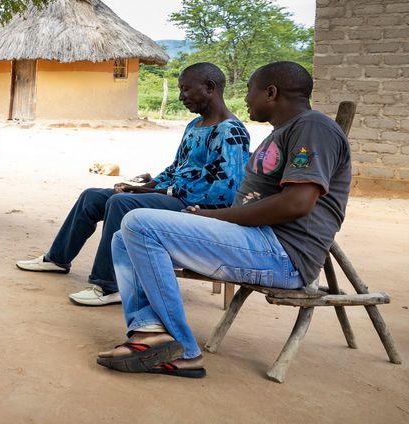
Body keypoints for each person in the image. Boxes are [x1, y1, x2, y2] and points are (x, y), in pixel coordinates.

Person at [96, 61, 350, 378]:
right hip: (256, 240)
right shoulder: (286, 131)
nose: (245, 99)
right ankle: (149, 332)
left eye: (249, 91)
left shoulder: (313, 127)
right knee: (124, 236)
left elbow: (297, 203)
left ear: (271, 93)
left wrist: (216, 216)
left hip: (281, 252)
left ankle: (183, 350)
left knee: (138, 222)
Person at [16, 63, 250, 306]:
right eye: (180, 90)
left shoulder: (231, 132)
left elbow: (221, 192)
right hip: (172, 196)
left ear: (210, 87)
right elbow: (175, 169)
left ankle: (109, 285)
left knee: (121, 203)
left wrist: (152, 192)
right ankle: (57, 258)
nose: (181, 97)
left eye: (186, 90)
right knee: (92, 196)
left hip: (194, 209)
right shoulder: (194, 126)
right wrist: (144, 187)